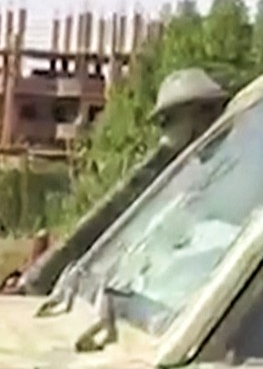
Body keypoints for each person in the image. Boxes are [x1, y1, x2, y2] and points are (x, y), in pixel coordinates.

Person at [10, 66, 228, 295]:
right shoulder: (168, 176)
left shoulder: (235, 165)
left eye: (209, 112)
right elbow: (107, 216)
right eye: (166, 122)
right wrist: (37, 279)